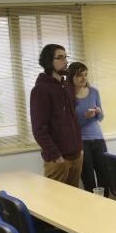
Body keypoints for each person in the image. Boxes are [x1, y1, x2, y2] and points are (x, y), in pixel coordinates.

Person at [30, 44, 83, 187]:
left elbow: (72, 119)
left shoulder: (66, 86)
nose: (65, 61)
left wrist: (79, 148)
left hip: (76, 156)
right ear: (48, 61)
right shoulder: (41, 90)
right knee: (56, 206)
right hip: (58, 161)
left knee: (73, 203)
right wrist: (57, 156)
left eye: (66, 57)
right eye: (60, 57)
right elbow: (39, 129)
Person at [67, 61, 110, 195]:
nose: (84, 78)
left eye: (86, 74)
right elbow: (70, 125)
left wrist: (98, 113)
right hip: (81, 142)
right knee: (88, 177)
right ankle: (92, 208)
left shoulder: (94, 92)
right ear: (72, 77)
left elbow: (100, 118)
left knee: (104, 174)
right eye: (80, 75)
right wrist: (85, 117)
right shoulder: (67, 96)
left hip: (98, 139)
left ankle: (107, 206)